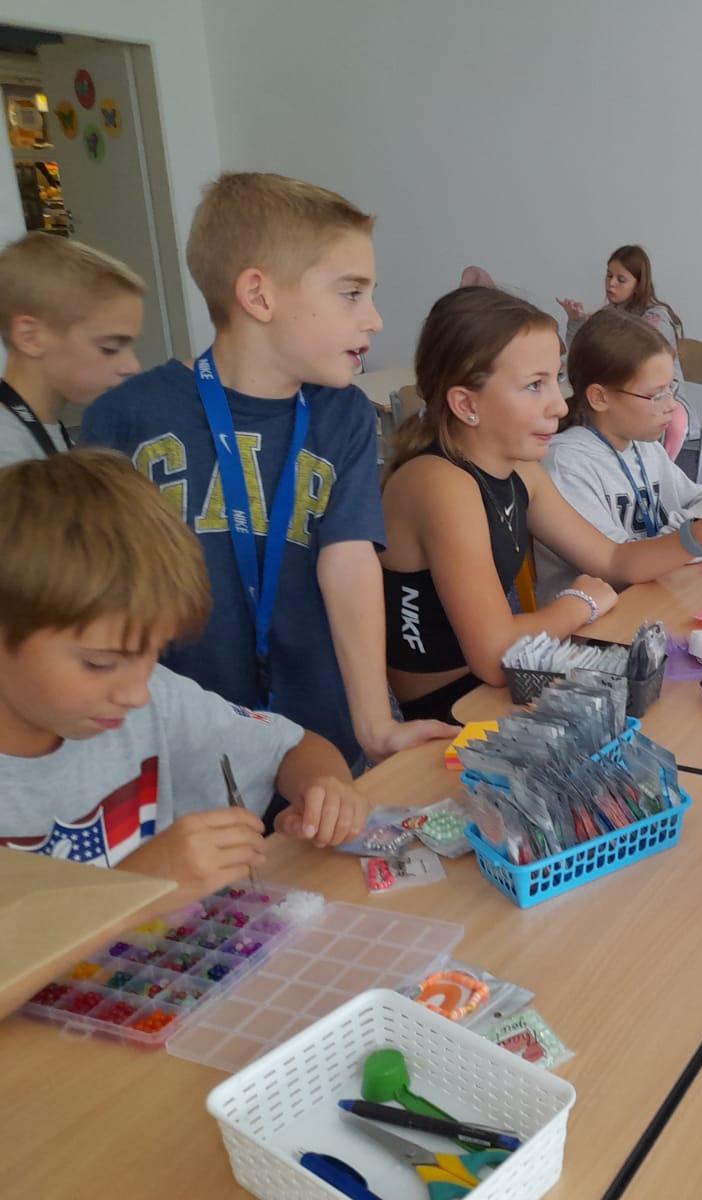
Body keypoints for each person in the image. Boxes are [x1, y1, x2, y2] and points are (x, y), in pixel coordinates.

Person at [81, 171, 455, 768]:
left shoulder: (343, 415)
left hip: (321, 738)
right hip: (173, 748)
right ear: (258, 296)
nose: (375, 319)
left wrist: (376, 725)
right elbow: (86, 594)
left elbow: (349, 563)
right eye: (351, 293)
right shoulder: (125, 417)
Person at [379, 289, 702, 722]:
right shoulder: (441, 485)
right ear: (467, 404)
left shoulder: (520, 469)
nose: (560, 404)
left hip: (514, 675)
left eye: (555, 379)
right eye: (534, 385)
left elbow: (613, 558)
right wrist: (579, 602)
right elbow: (493, 655)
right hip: (453, 706)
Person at [0, 449, 368, 890]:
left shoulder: (157, 700)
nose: (136, 693)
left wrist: (326, 789)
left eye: (152, 653)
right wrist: (136, 886)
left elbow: (295, 747)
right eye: (100, 663)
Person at [535, 307, 702, 605]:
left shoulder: (644, 447)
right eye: (656, 395)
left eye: (671, 388)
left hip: (656, 598)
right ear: (600, 397)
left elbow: (691, 502)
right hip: (601, 622)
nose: (672, 405)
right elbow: (622, 567)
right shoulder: (567, 465)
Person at [0, 233, 143, 467]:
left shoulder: (46, 432)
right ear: (30, 337)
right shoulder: (8, 453)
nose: (133, 366)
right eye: (109, 348)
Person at [557, 245, 691, 456]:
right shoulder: (608, 315)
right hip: (620, 390)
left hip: (656, 394)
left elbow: (660, 375)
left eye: (621, 279)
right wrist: (575, 323)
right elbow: (581, 358)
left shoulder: (656, 318)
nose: (611, 283)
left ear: (638, 284)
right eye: (609, 275)